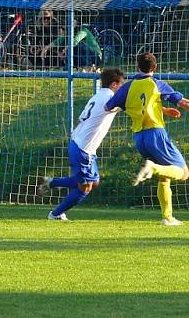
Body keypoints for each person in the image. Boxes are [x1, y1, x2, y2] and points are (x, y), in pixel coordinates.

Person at [105, 52, 189, 226]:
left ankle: (168, 217)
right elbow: (182, 102)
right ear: (155, 67)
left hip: (139, 137)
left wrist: (162, 109)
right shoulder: (157, 84)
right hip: (155, 133)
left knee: (165, 178)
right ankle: (152, 168)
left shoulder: (128, 87)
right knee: (183, 173)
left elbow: (110, 106)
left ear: (137, 66)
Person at [36, 68, 126, 220]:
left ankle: (51, 182)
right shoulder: (110, 98)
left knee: (94, 181)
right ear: (113, 84)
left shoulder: (97, 96)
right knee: (85, 187)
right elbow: (125, 105)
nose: (122, 89)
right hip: (83, 149)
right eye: (121, 86)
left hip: (80, 145)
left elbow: (82, 119)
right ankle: (55, 214)